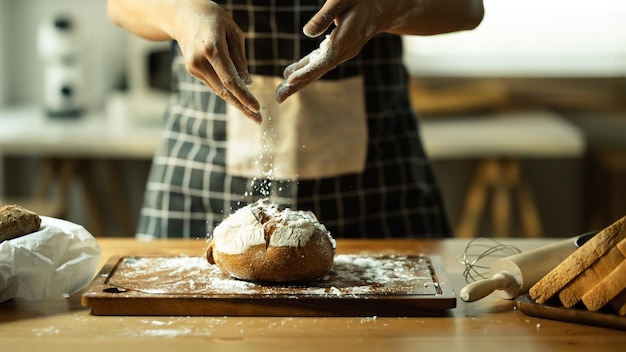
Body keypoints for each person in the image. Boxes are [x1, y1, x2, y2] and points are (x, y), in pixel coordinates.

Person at [107, 0, 484, 239]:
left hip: (378, 183)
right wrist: (180, 13)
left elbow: (467, 8)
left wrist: (386, 8)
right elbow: (120, 4)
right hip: (202, 178)